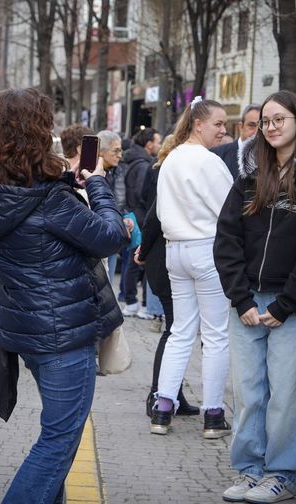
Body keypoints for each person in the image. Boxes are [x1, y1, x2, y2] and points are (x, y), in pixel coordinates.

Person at [0, 88, 126, 504]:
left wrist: (63, 180)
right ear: (33, 134)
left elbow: (35, 209)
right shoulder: (50, 200)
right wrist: (99, 188)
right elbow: (109, 236)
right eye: (46, 124)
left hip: (23, 325)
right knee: (59, 440)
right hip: (63, 331)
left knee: (57, 433)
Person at [215, 90, 296, 503]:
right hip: (247, 302)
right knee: (248, 393)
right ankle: (249, 470)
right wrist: (241, 299)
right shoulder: (249, 172)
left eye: (279, 119)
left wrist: (287, 304)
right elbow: (226, 236)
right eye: (265, 121)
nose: (271, 127)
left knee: (287, 395)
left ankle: (282, 474)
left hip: (292, 306)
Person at [149, 96, 233, 438]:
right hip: (206, 248)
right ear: (198, 123)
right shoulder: (207, 161)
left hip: (175, 250)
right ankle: (213, 413)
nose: (223, 130)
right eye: (218, 123)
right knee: (215, 335)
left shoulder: (170, 159)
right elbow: (230, 209)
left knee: (181, 330)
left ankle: (163, 406)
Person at [135, 134, 200, 419]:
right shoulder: (168, 173)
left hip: (167, 260)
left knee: (178, 330)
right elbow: (153, 217)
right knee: (176, 331)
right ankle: (158, 393)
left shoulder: (165, 170)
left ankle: (171, 393)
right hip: (166, 260)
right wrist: (143, 250)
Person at [119, 127, 162, 319]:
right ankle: (136, 303)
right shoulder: (144, 165)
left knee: (132, 261)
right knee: (138, 261)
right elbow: (141, 194)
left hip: (132, 214)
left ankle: (131, 301)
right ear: (149, 144)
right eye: (158, 142)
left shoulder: (132, 160)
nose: (159, 146)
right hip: (140, 217)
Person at [97, 130, 126, 289]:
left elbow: (120, 200)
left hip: (114, 232)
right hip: (98, 233)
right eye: (116, 150)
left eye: (120, 150)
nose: (120, 155)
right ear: (101, 151)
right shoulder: (90, 173)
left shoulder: (117, 170)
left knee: (108, 284)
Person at [212, 103, 261, 179]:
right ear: (241, 127)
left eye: (261, 126)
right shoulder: (217, 155)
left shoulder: (272, 157)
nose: (256, 132)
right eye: (251, 125)